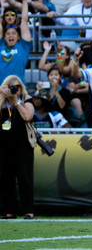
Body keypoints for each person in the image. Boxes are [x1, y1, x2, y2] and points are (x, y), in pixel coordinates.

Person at [0, 75, 36, 219]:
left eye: (18, 86)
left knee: (25, 177)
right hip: (3, 143)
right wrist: (2, 97)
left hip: (23, 144)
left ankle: (28, 210)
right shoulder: (2, 101)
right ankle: (9, 210)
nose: (15, 89)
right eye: (11, 86)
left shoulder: (26, 99)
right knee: (5, 177)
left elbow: (28, 116)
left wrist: (16, 102)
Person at [0, 0, 30, 84]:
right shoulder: (1, 44)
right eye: (8, 34)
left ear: (18, 37)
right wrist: (2, 5)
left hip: (18, 89)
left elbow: (24, 21)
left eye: (13, 33)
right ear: (4, 37)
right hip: (1, 88)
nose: (11, 35)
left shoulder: (23, 45)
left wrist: (25, 1)